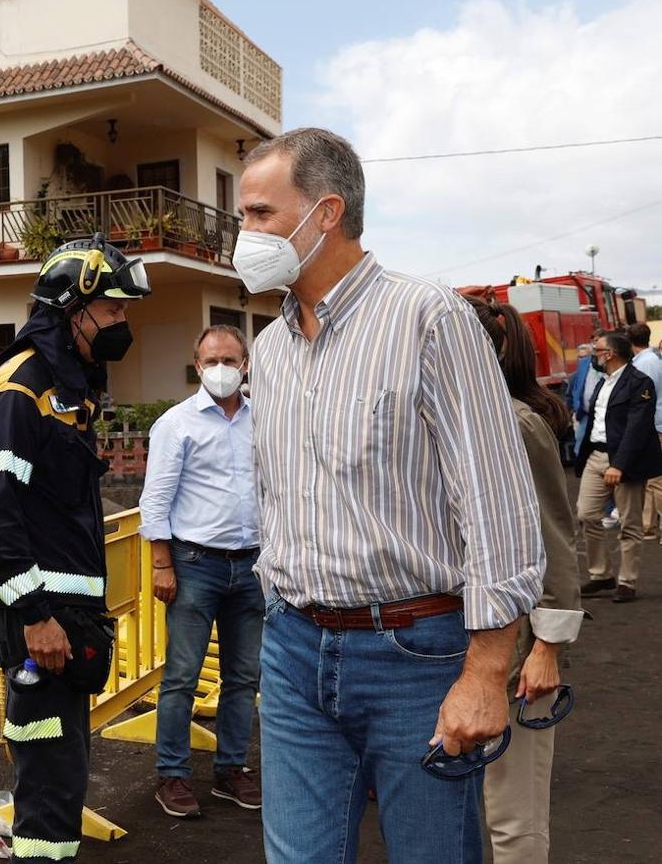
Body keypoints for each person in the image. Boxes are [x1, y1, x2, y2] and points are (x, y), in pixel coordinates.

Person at [238, 127, 545, 864]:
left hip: (414, 654)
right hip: (292, 652)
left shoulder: (427, 319)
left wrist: (483, 672)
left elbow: (495, 503)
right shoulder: (268, 348)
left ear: (326, 213)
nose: (242, 236)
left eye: (258, 214)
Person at [0, 235, 150, 862]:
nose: (123, 324)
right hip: (37, 621)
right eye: (115, 311)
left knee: (61, 775)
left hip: (63, 620)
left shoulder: (69, 389)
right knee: (48, 779)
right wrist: (36, 615)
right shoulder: (22, 389)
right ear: (74, 310)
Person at [464, 296, 584, 863]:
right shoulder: (447, 421)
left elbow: (555, 540)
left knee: (513, 816)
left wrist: (548, 647)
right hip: (452, 643)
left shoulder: (515, 424)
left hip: (515, 651)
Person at [139, 324, 263, 817]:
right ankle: (172, 775)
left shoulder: (262, 419)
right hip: (194, 566)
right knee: (182, 677)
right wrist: (161, 564)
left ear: (245, 365)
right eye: (211, 361)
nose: (220, 369)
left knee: (242, 676)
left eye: (230, 361)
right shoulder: (176, 423)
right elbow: (156, 500)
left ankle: (230, 770)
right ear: (196, 365)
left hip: (252, 565)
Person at [576, 331, 662, 603]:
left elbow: (637, 428)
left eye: (597, 350)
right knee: (586, 514)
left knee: (629, 522)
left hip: (623, 461)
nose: (594, 354)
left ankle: (627, 581)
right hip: (596, 457)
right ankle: (601, 574)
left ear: (610, 354)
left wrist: (619, 465)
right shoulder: (604, 382)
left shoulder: (640, 382)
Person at [625, 323, 662, 540]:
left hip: (653, 425)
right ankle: (647, 527)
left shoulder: (645, 363)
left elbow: (644, 398)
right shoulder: (653, 358)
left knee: (656, 481)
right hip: (656, 423)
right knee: (652, 480)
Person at [567, 338, 602, 456]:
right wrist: (575, 409)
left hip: (599, 415)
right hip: (584, 415)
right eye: (579, 357)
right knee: (580, 445)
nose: (581, 360)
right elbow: (574, 391)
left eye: (585, 357)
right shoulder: (578, 373)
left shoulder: (600, 369)